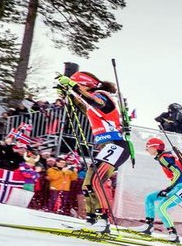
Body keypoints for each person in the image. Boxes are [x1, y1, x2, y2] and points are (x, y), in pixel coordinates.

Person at [56, 71, 130, 232]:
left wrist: (73, 87)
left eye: (80, 85)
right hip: (107, 146)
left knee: (97, 182)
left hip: (117, 144)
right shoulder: (92, 100)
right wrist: (68, 93)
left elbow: (95, 103)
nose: (79, 88)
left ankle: (104, 221)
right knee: (88, 184)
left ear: (86, 85)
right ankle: (91, 220)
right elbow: (86, 107)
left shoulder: (102, 95)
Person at [139, 138, 182, 243]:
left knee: (162, 207)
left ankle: (173, 233)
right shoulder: (165, 156)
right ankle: (148, 226)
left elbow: (178, 173)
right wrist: (170, 188)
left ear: (155, 147)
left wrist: (168, 189)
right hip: (179, 186)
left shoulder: (163, 158)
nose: (146, 149)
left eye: (148, 147)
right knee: (150, 198)